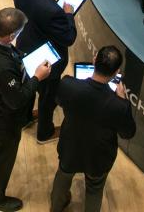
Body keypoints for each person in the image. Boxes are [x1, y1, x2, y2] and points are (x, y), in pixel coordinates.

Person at [0, 8, 52, 212]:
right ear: (11, 36)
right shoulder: (2, 68)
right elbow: (17, 100)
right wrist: (37, 77)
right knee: (3, 156)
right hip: (4, 119)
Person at [50, 46, 136, 212]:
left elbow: (59, 100)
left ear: (94, 60)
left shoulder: (68, 84)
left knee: (63, 176)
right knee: (95, 188)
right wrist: (123, 101)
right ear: (116, 72)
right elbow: (128, 133)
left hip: (70, 147)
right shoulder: (119, 106)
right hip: (99, 156)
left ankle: (55, 207)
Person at [12, 0, 77, 144]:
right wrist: (68, 15)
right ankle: (45, 133)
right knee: (48, 96)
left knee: (29, 85)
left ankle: (25, 118)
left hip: (24, 46)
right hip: (46, 59)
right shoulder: (54, 11)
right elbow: (69, 38)